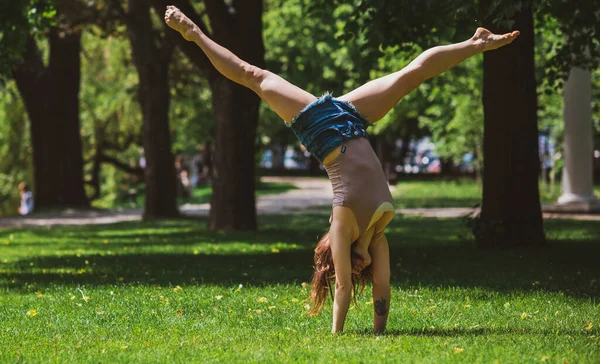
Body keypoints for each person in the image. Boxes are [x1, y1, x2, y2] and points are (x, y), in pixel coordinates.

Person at [164, 5, 519, 333]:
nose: (362, 269)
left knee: (252, 75)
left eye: (349, 266)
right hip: (354, 121)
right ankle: (477, 43)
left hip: (320, 129)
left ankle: (193, 32)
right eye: (361, 268)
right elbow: (383, 287)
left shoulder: (342, 223)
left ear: (339, 258)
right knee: (412, 74)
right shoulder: (377, 232)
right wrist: (379, 333)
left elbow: (345, 289)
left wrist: (337, 335)